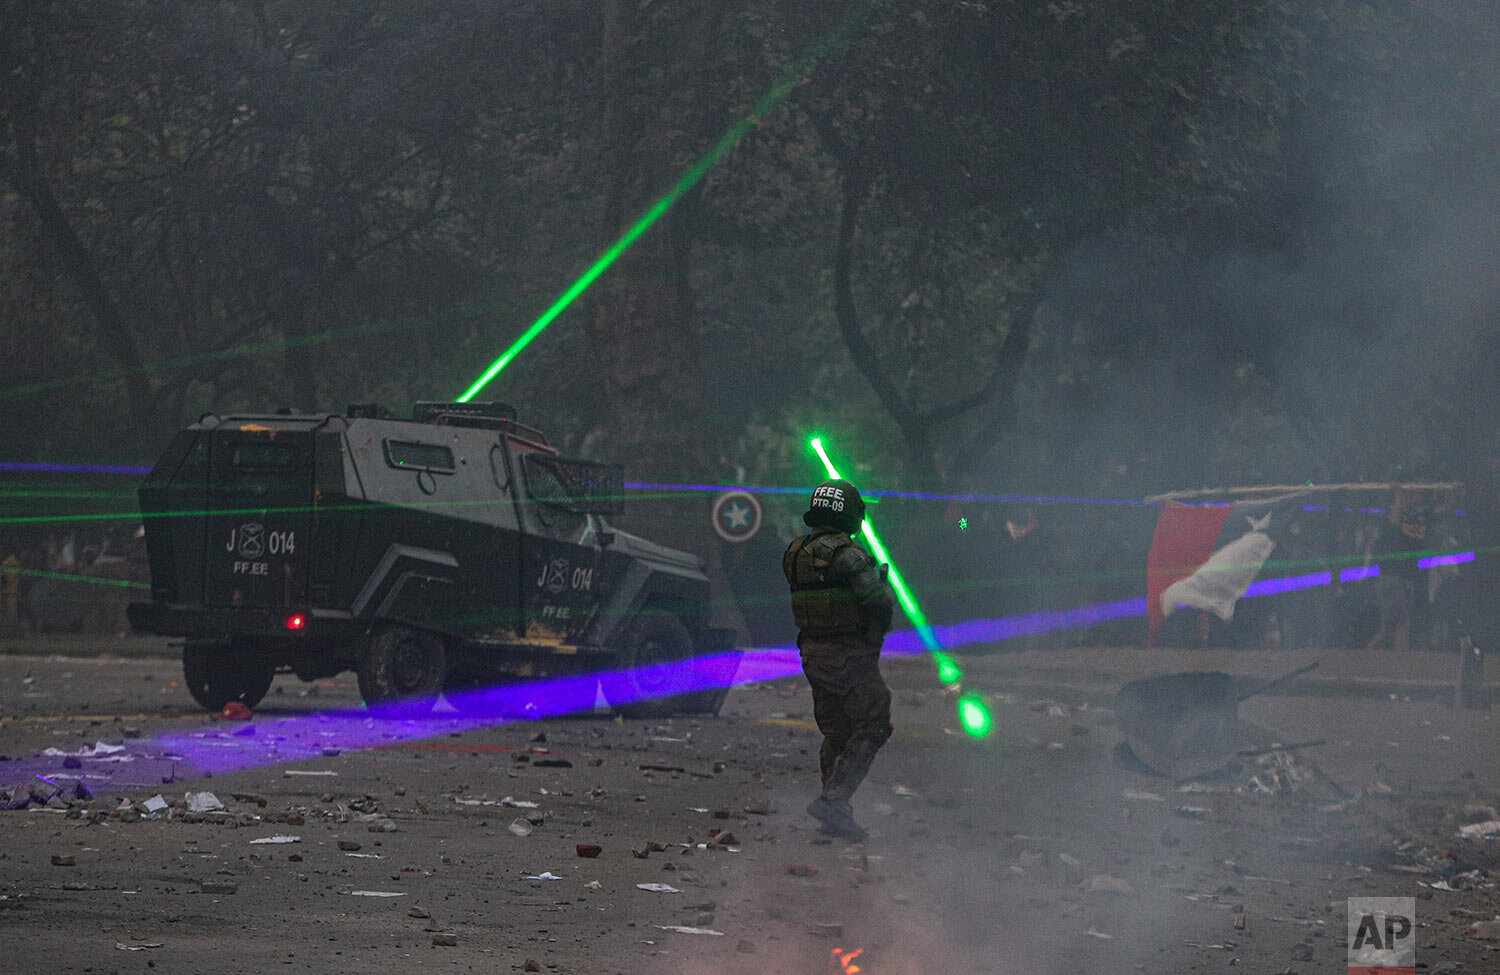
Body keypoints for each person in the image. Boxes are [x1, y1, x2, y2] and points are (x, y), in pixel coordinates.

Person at [781, 478, 894, 842]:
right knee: (874, 722)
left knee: (837, 732)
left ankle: (835, 812)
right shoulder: (847, 554)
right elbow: (877, 602)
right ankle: (835, 799)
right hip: (848, 655)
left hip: (813, 654)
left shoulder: (795, 552)